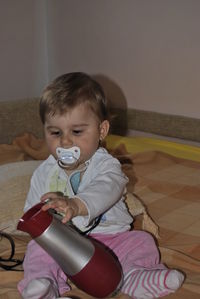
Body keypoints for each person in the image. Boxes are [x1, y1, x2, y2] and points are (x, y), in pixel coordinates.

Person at [18, 72, 184, 299]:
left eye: (76, 131)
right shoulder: (42, 174)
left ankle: (136, 276)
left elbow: (107, 188)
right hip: (66, 246)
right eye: (55, 132)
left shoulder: (107, 165)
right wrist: (40, 224)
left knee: (142, 241)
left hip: (111, 240)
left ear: (101, 131)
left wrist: (76, 205)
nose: (65, 141)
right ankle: (45, 286)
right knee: (37, 250)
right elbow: (33, 216)